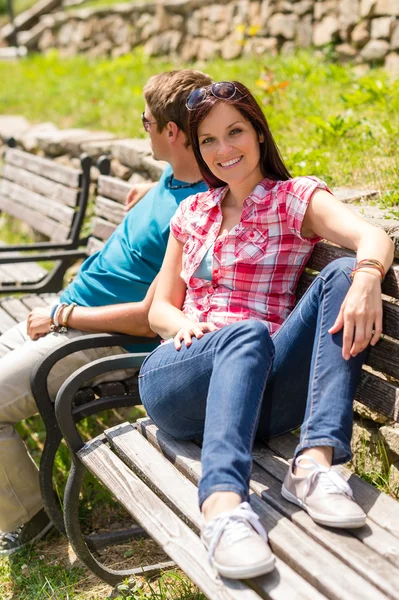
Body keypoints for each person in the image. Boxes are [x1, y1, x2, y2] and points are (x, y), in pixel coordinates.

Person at [138, 81, 394, 579]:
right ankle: (222, 509)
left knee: (339, 274)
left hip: (265, 394)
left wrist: (367, 276)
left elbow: (371, 236)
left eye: (234, 132)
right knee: (247, 333)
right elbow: (158, 310)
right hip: (182, 380)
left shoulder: (293, 199)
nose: (222, 149)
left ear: (258, 131)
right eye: (207, 140)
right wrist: (186, 323)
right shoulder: (191, 213)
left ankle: (314, 465)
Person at [0, 69, 212, 556]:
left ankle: (29, 516)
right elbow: (167, 190)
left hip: (103, 340)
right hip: (69, 315)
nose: (142, 127)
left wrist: (63, 317)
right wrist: (146, 193)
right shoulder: (174, 175)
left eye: (146, 122)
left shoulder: (199, 210)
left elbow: (148, 318)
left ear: (171, 133)